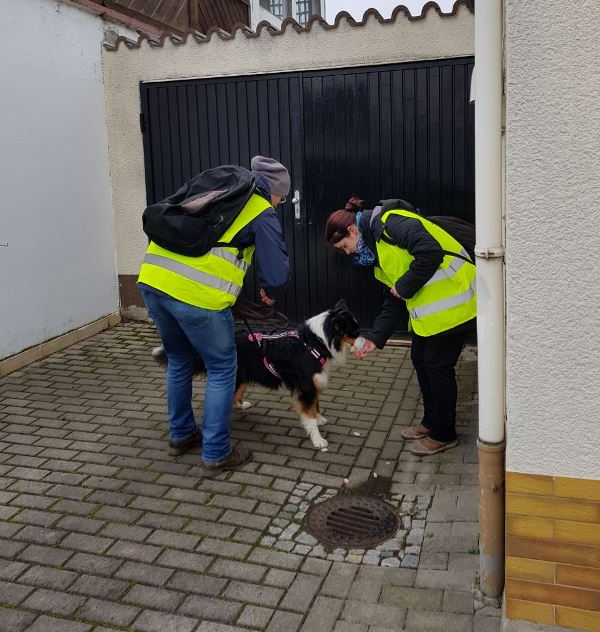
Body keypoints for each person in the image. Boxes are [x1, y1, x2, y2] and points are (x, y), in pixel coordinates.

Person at [138, 156, 290, 474]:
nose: (280, 204)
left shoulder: (218, 191)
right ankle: (217, 452)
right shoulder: (260, 209)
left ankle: (181, 435)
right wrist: (269, 290)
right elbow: (276, 272)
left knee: (179, 359)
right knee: (222, 367)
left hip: (153, 281)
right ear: (275, 191)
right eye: (283, 198)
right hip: (197, 297)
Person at [325, 197, 476, 456]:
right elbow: (394, 299)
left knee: (437, 366)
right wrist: (375, 339)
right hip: (434, 314)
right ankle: (430, 422)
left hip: (458, 301)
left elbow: (430, 252)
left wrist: (404, 286)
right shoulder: (378, 250)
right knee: (420, 359)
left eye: (344, 246)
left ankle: (444, 433)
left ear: (352, 230)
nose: (347, 252)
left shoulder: (391, 224)